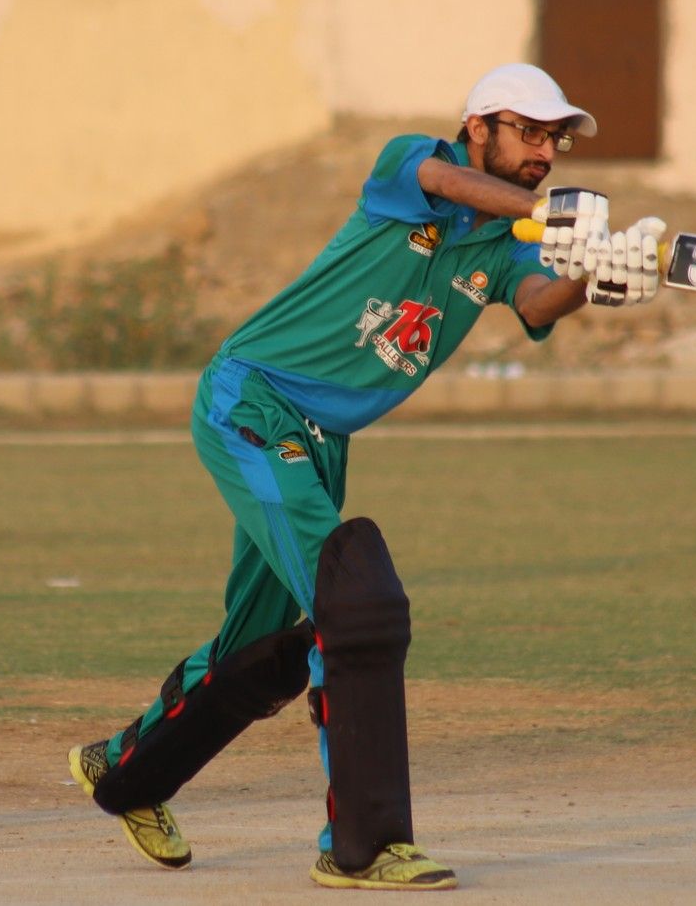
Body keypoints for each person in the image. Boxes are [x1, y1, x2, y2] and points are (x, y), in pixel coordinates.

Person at [68, 63, 665, 890]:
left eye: (554, 140)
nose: (544, 152)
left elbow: (535, 302)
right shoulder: (410, 167)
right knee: (355, 607)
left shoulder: (499, 246)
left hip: (323, 441)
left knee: (260, 646)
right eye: (528, 132)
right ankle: (362, 844)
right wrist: (542, 213)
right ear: (477, 126)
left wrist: (592, 282)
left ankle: (123, 771)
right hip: (252, 401)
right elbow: (443, 181)